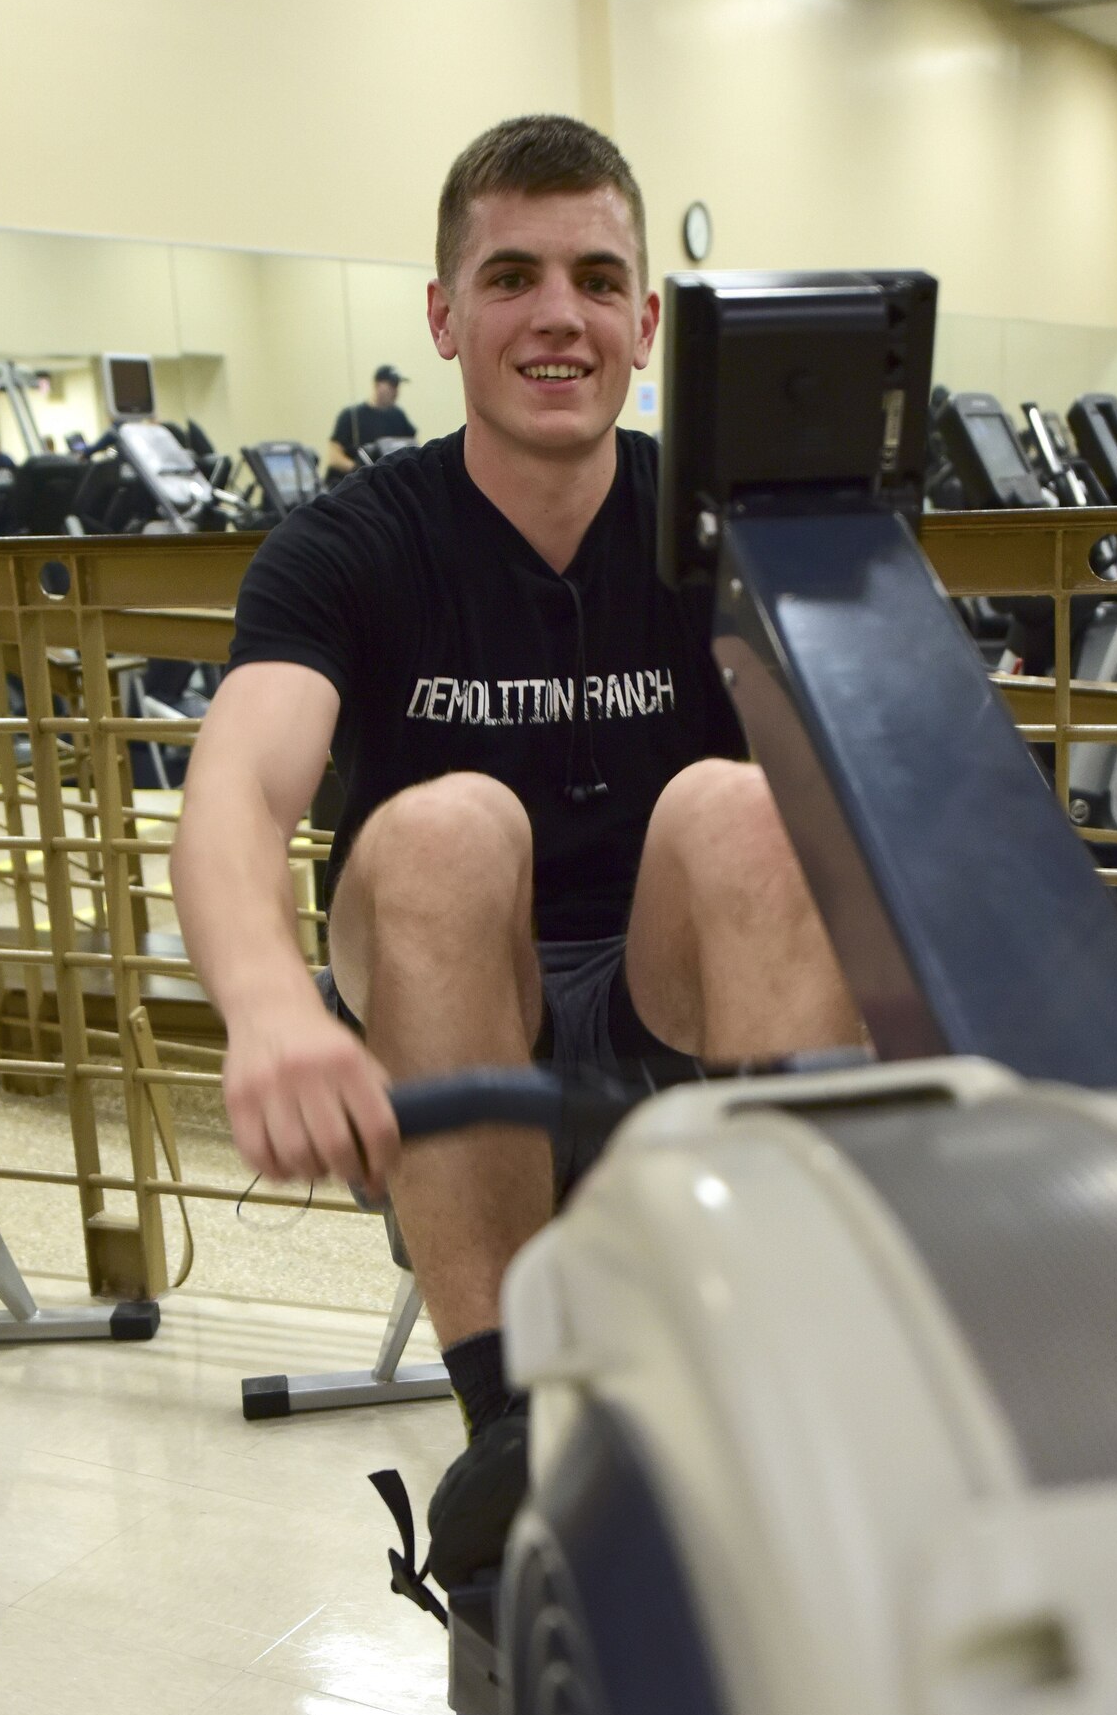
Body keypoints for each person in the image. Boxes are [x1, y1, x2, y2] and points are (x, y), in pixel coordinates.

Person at [170, 114, 861, 1591]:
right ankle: (507, 1430)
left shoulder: (727, 530)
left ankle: (779, 1376)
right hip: (453, 998)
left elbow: (866, 796)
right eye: (512, 277)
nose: (560, 315)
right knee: (442, 825)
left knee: (739, 808)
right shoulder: (350, 545)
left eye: (599, 278)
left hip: (671, 1000)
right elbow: (235, 788)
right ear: (443, 315)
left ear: (647, 321)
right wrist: (272, 1008)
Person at [325, 367, 418, 482]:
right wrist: (358, 469)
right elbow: (334, 457)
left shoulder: (398, 416)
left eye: (397, 386)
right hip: (355, 485)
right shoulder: (351, 415)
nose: (396, 391)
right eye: (392, 386)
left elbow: (413, 447)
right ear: (377, 385)